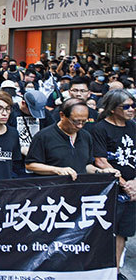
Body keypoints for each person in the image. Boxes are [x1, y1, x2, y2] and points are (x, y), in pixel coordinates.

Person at [90, 89, 136, 280]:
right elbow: (100, 160)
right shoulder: (100, 129)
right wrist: (126, 185)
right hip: (112, 189)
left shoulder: (133, 126)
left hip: (132, 188)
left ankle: (115, 272)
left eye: (133, 106)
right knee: (106, 232)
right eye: (126, 106)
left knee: (122, 233)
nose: (131, 110)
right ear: (112, 109)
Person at [25, 98, 118, 179]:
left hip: (78, 190)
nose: (80, 126)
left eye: (84, 121)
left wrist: (100, 172)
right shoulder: (43, 136)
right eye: (75, 121)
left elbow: (86, 165)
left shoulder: (86, 136)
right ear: (62, 115)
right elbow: (31, 165)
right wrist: (57, 170)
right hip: (52, 190)